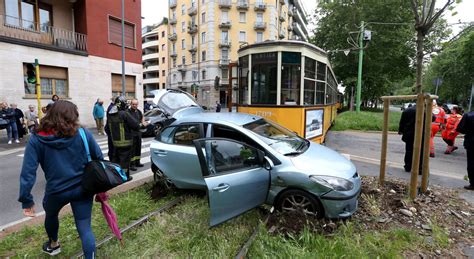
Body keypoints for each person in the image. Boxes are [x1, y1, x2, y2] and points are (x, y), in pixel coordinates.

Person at [18, 100, 103, 258]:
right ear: (73, 115)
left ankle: (53, 244)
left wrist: (26, 199)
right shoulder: (82, 133)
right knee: (85, 227)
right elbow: (99, 158)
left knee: (51, 216)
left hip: (55, 191)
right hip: (83, 188)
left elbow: (28, 172)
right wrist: (101, 189)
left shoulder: (37, 138)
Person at [107, 96, 143, 178]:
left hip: (115, 143)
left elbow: (107, 129)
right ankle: (125, 177)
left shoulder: (110, 114)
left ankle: (116, 176)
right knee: (124, 161)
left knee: (116, 160)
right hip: (125, 143)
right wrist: (141, 125)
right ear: (122, 104)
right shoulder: (124, 114)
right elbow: (135, 125)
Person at [398, 104, 433, 174]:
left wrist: (400, 130)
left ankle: (408, 166)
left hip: (409, 134)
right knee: (421, 151)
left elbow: (402, 122)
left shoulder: (407, 110)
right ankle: (420, 168)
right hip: (421, 134)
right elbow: (433, 118)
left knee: (409, 150)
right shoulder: (425, 111)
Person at [456, 110, 474, 190]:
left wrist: (469, 130)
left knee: (471, 163)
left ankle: (473, 183)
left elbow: (460, 128)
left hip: (471, 142)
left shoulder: (468, 115)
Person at [127, 99, 146, 171]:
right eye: (133, 104)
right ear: (131, 104)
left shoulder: (139, 112)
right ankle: (132, 164)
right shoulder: (128, 112)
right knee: (132, 150)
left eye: (136, 104)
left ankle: (137, 162)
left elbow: (142, 119)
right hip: (131, 134)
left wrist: (144, 122)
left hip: (138, 133)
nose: (135, 105)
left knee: (138, 148)